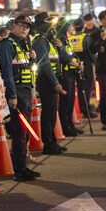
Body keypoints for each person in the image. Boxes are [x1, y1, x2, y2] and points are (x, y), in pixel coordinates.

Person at [0, 15, 39, 181]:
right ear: (13, 26)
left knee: (25, 132)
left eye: (27, 27)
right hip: (17, 92)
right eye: (21, 25)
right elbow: (7, 71)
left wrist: (33, 58)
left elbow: (25, 68)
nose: (24, 29)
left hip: (26, 91)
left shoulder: (24, 44)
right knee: (19, 132)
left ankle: (22, 166)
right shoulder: (7, 44)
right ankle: (19, 171)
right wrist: (12, 94)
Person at [32, 13, 68, 155]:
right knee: (48, 114)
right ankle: (48, 145)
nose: (52, 24)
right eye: (49, 21)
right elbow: (45, 64)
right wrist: (55, 83)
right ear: (42, 23)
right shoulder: (40, 41)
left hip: (52, 80)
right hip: (46, 81)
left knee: (52, 114)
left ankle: (52, 142)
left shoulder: (48, 40)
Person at [56, 19, 83, 137]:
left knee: (71, 102)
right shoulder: (59, 40)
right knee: (65, 103)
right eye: (69, 27)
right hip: (65, 75)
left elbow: (71, 53)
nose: (71, 29)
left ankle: (70, 125)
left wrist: (78, 61)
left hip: (71, 75)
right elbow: (64, 57)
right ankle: (65, 127)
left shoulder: (66, 39)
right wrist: (77, 64)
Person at [69, 18, 97, 120]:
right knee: (87, 88)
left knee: (80, 88)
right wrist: (96, 63)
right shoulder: (85, 38)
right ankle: (86, 109)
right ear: (83, 26)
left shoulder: (70, 39)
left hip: (75, 65)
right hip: (86, 66)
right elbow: (91, 53)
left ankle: (83, 108)